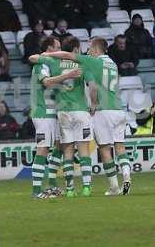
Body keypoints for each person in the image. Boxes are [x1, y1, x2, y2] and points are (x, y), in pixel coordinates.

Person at [41, 37, 132, 195]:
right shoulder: (113, 64)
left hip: (103, 111)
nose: (88, 51)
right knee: (120, 147)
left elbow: (69, 56)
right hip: (119, 109)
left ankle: (114, 187)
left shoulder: (92, 61)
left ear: (96, 49)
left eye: (90, 48)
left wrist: (49, 54)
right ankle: (126, 174)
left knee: (105, 149)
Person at [29, 37, 95, 197]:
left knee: (60, 147)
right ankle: (36, 191)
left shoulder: (54, 63)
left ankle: (52, 184)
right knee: (43, 148)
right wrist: (68, 75)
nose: (60, 51)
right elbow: (46, 82)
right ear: (50, 48)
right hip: (43, 111)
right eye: (57, 47)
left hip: (57, 112)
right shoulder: (43, 63)